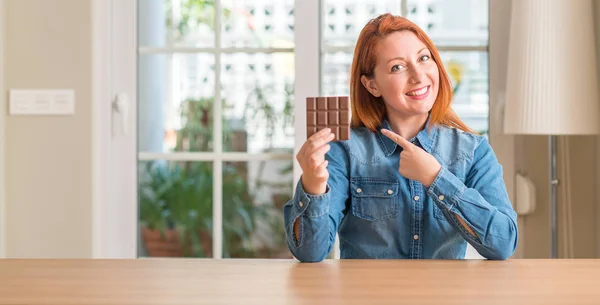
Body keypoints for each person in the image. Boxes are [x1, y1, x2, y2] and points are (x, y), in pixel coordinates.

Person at [283, 13, 518, 262]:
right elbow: (310, 253)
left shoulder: (474, 150)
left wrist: (436, 179)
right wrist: (313, 184)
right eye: (398, 67)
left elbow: (503, 244)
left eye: (424, 58)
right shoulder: (344, 151)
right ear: (371, 85)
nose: (418, 76)